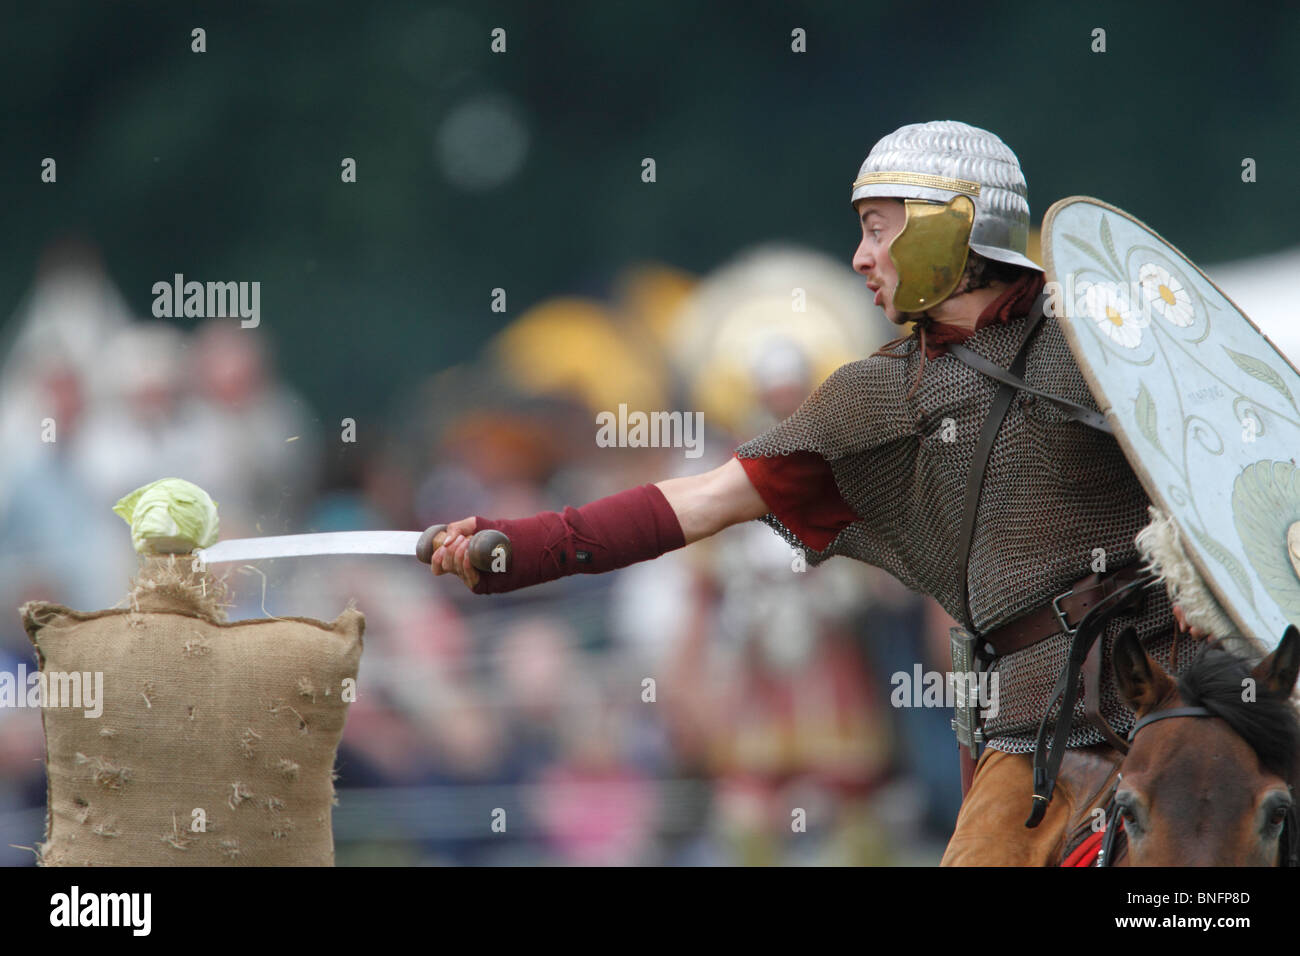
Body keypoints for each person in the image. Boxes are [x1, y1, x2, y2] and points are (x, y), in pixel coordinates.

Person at [428, 120, 1205, 865]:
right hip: (1037, 735)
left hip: (1185, 692)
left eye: (878, 227)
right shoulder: (870, 401)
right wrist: (516, 549)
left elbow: (1230, 463)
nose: (862, 256)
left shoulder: (1101, 342)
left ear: (948, 228)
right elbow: (695, 503)